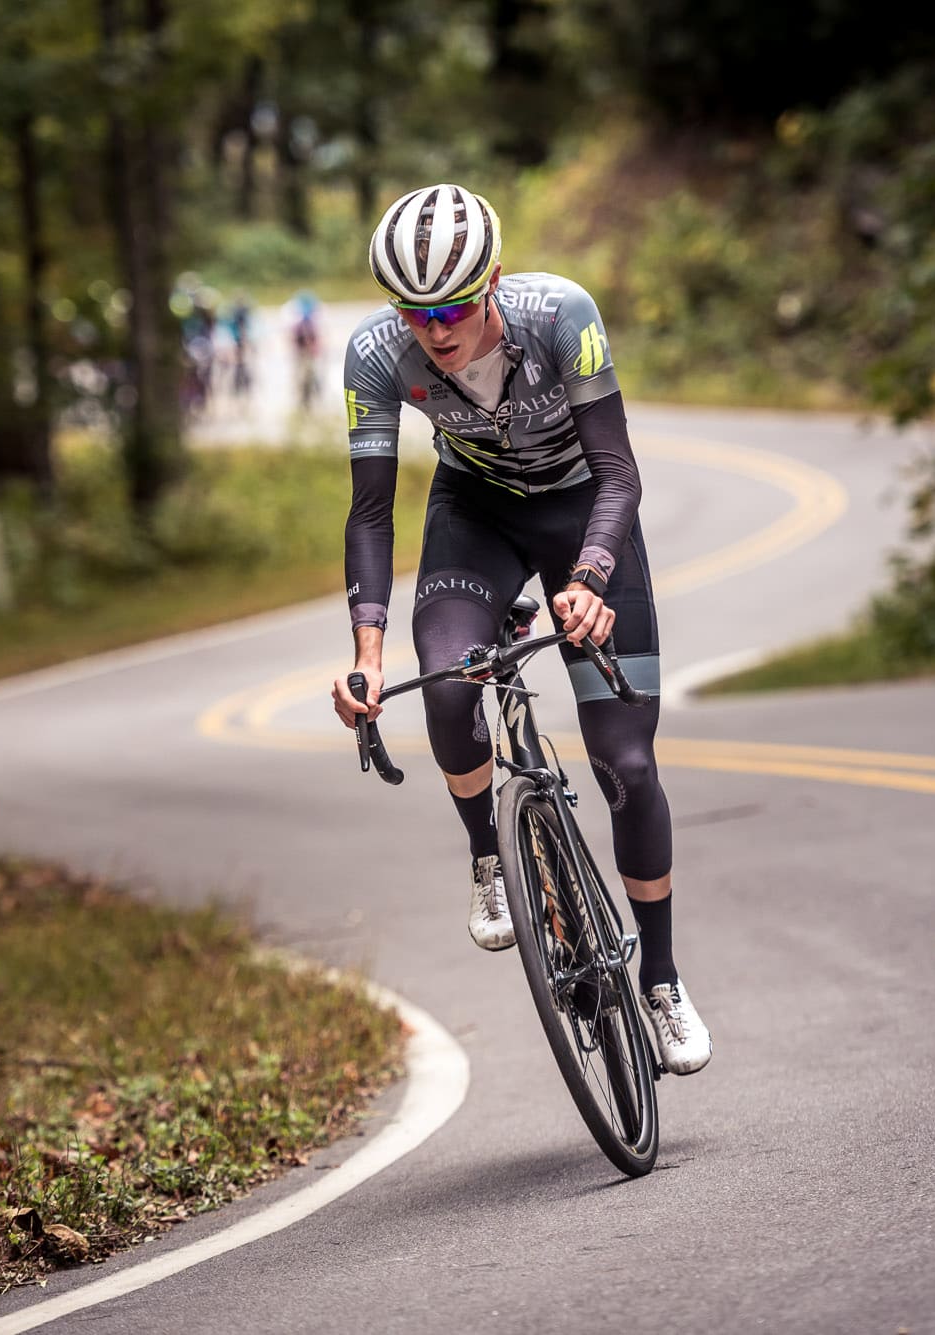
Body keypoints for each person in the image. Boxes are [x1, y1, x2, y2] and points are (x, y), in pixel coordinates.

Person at [328, 183, 711, 1074]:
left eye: (456, 304)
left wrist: (590, 576)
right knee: (451, 682)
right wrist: (365, 655)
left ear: (493, 281)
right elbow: (371, 516)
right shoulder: (377, 355)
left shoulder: (561, 315)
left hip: (585, 512)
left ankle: (659, 978)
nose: (436, 327)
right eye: (415, 311)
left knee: (626, 762)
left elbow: (619, 473)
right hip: (477, 514)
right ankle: (488, 858)